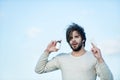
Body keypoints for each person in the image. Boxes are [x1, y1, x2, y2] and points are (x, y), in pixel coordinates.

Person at [35, 23, 113, 80]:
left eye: (76, 36)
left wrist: (100, 59)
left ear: (83, 39)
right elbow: (39, 69)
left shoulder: (93, 57)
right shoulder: (61, 58)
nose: (73, 40)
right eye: (70, 38)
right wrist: (47, 51)